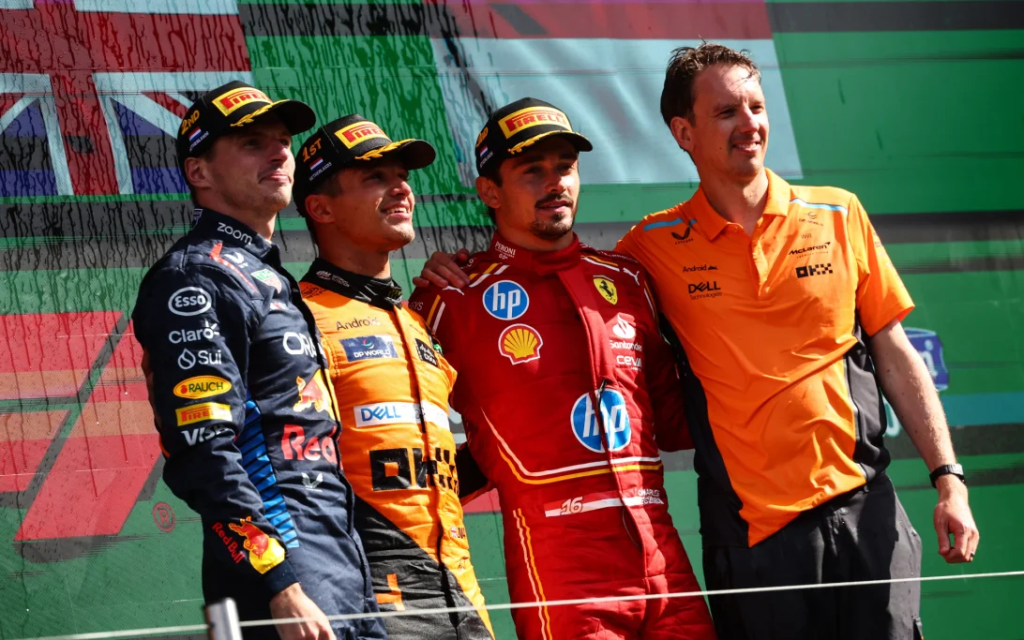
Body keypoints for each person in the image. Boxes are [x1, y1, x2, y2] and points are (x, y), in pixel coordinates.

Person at [418, 45, 980, 640]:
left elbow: (892, 355)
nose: (749, 124)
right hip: (718, 538)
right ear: (683, 132)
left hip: (831, 512)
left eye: (756, 106)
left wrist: (949, 477)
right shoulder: (630, 256)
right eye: (726, 112)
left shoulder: (824, 217)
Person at [409, 98, 717, 640]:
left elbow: (675, 424)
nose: (555, 183)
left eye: (566, 167)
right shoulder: (451, 297)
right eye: (533, 171)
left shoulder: (628, 279)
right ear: (490, 192)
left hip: (662, 555)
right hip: (562, 571)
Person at [133, 82, 385, 640]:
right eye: (252, 143)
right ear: (199, 172)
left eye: (283, 142)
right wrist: (281, 584)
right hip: (280, 584)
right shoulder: (196, 276)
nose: (278, 153)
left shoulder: (266, 275)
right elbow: (202, 450)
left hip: (339, 570)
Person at [292, 115, 494, 639]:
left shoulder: (416, 319)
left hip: (464, 595)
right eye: (374, 177)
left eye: (402, 176)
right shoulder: (295, 317)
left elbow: (432, 471)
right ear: (321, 208)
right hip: (369, 597)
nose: (401, 187)